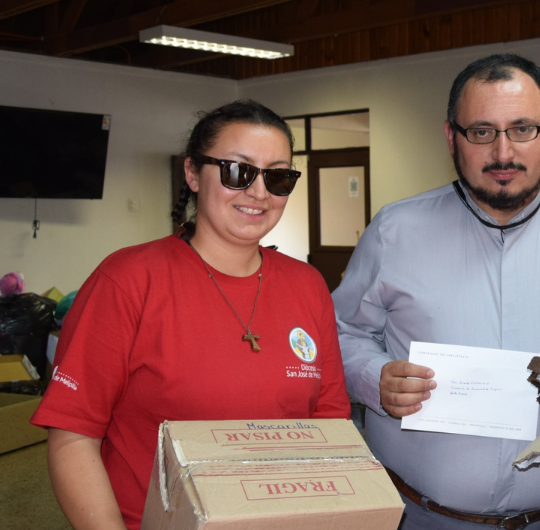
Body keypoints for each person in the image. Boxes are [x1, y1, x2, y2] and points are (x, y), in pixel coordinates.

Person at [334, 53, 540, 529]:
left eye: (522, 129)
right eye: (481, 132)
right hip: (422, 518)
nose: (502, 153)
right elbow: (340, 333)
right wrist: (374, 378)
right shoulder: (395, 231)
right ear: (451, 137)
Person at [30, 100, 351, 530]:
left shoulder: (307, 286)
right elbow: (73, 435)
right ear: (193, 173)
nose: (259, 193)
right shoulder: (128, 280)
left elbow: (329, 427)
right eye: (238, 171)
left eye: (277, 177)